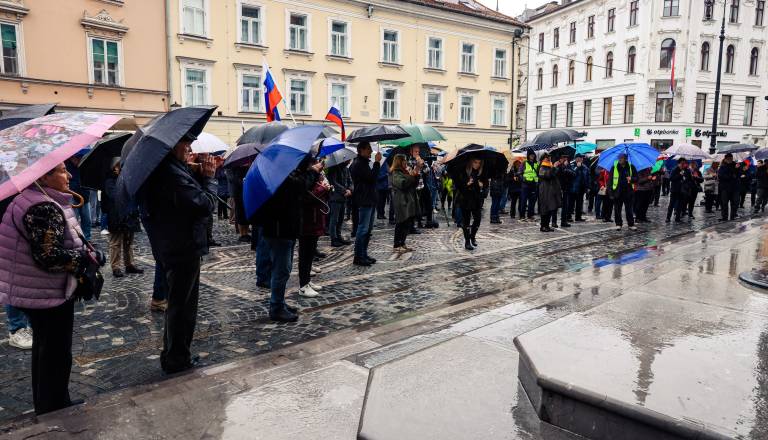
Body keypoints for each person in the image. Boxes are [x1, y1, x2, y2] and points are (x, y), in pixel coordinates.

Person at [0, 162, 103, 415]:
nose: (68, 176)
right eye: (61, 171)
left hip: (37, 289)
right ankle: (54, 407)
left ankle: (48, 403)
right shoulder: (43, 207)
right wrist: (88, 258)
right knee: (55, 352)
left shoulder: (34, 199)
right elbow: (49, 256)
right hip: (46, 292)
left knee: (45, 349)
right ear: (43, 177)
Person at [142, 133, 216, 374]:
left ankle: (176, 353)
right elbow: (203, 204)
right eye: (186, 141)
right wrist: (208, 179)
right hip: (182, 246)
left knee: (180, 303)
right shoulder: (170, 174)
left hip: (175, 244)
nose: (190, 146)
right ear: (172, 145)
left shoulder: (167, 169)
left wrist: (190, 170)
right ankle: (176, 358)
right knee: (182, 306)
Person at [103, 158, 143, 278]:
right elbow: (115, 195)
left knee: (128, 241)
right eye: (118, 166)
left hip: (129, 214)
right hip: (116, 215)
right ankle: (116, 267)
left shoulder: (128, 178)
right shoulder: (110, 181)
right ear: (114, 168)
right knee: (115, 242)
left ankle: (129, 264)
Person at [298, 160, 330, 298]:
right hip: (307, 220)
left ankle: (307, 282)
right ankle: (303, 285)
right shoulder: (303, 177)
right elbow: (308, 195)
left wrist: (326, 188)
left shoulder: (312, 176)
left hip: (315, 218)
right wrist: (323, 188)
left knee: (310, 252)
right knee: (305, 253)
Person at [350, 142, 382, 266]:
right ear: (361, 150)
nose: (370, 151)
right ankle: (358, 256)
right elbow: (371, 178)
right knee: (362, 229)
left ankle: (363, 253)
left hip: (369, 198)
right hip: (364, 199)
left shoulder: (363, 163)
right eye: (368, 149)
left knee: (368, 229)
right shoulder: (358, 164)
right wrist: (377, 162)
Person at [390, 154, 422, 252]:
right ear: (399, 161)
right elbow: (402, 184)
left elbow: (413, 183)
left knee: (407, 223)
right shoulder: (395, 173)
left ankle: (402, 243)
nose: (406, 162)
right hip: (401, 201)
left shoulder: (405, 171)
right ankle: (397, 244)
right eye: (404, 160)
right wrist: (411, 176)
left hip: (409, 200)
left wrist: (415, 174)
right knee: (401, 222)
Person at [455, 158, 487, 250]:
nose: (477, 165)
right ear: (471, 162)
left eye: (479, 163)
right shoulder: (464, 171)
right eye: (475, 162)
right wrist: (467, 184)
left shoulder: (481, 173)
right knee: (466, 221)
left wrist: (482, 185)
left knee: (477, 219)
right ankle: (467, 241)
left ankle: (472, 236)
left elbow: (485, 185)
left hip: (476, 199)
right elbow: (459, 186)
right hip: (466, 199)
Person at [326, 160, 353, 247]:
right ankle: (334, 238)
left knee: (340, 219)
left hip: (343, 198)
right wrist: (344, 190)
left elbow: (350, 181)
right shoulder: (333, 168)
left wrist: (350, 189)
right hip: (335, 197)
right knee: (334, 219)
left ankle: (338, 236)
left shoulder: (346, 169)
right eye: (348, 160)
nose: (349, 161)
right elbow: (333, 182)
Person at [608, 154, 638, 230]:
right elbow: (610, 181)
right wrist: (610, 193)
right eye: (619, 158)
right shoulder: (614, 167)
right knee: (617, 209)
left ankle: (631, 224)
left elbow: (637, 178)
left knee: (629, 209)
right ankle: (618, 224)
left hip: (628, 192)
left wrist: (631, 179)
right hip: (617, 192)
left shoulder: (631, 167)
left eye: (622, 158)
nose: (620, 159)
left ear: (626, 159)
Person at [65, 157, 92, 241]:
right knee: (74, 219)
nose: (78, 160)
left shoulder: (85, 164)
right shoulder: (66, 165)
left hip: (85, 195)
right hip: (73, 195)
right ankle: (75, 238)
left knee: (87, 219)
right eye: (76, 158)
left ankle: (87, 238)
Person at [537, 153, 561, 232]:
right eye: (547, 158)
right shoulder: (542, 166)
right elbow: (546, 175)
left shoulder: (549, 166)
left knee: (551, 208)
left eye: (549, 158)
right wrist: (553, 167)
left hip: (551, 190)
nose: (549, 159)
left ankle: (547, 225)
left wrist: (556, 167)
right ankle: (543, 226)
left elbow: (554, 175)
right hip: (545, 190)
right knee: (545, 208)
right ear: (543, 159)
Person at [666, 159, 690, 223]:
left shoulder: (686, 170)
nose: (683, 165)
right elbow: (671, 178)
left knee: (680, 205)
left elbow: (688, 179)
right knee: (671, 204)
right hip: (675, 190)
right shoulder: (674, 169)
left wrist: (685, 179)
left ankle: (677, 218)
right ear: (678, 163)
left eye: (684, 163)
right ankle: (668, 218)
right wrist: (680, 175)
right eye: (682, 163)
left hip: (682, 190)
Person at [718, 153, 740, 221]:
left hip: (734, 188)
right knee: (724, 203)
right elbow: (722, 176)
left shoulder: (736, 165)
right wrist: (732, 174)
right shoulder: (722, 166)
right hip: (725, 188)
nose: (730, 160)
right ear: (725, 159)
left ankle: (733, 216)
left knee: (735, 203)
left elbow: (738, 175)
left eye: (731, 158)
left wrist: (736, 169)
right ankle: (724, 217)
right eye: (729, 159)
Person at [519, 150, 539, 221]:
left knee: (532, 201)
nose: (532, 156)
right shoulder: (524, 163)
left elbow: (537, 174)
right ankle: (522, 215)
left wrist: (536, 182)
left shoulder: (536, 163)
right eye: (531, 155)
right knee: (523, 201)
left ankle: (530, 215)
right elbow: (520, 173)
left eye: (533, 155)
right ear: (528, 156)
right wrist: (524, 180)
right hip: (525, 185)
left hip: (533, 185)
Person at [570, 155, 590, 222]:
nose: (580, 159)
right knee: (571, 203)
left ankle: (578, 217)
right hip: (573, 187)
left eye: (581, 158)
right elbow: (572, 174)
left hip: (581, 188)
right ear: (575, 159)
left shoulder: (585, 167)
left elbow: (587, 177)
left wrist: (587, 187)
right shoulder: (572, 165)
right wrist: (577, 168)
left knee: (579, 204)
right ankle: (568, 217)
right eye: (578, 158)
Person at [556, 157, 574, 227]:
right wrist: (564, 168)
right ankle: (554, 222)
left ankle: (564, 221)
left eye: (566, 158)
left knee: (565, 206)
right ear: (560, 159)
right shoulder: (558, 165)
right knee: (556, 206)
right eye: (563, 158)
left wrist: (566, 168)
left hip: (566, 188)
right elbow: (557, 174)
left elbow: (573, 174)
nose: (565, 160)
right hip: (559, 188)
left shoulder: (568, 165)